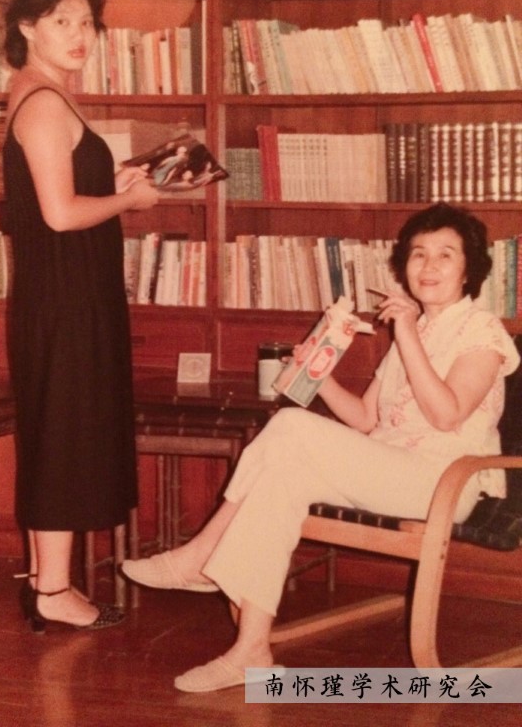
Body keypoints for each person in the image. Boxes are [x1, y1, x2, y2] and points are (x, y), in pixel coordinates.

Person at [121, 203, 519, 691]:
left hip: (444, 482)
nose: (428, 266)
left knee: (290, 425)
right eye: (418, 254)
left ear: (469, 269)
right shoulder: (412, 333)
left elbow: (446, 415)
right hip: (393, 471)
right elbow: (366, 419)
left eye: (445, 255)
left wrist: (406, 334)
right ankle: (251, 651)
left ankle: (201, 555)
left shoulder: (481, 330)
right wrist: (317, 373)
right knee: (282, 477)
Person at [1, 0, 158, 632]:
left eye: (87, 22)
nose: (79, 34)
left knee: (57, 435)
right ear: (27, 27)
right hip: (64, 299)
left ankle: (48, 584)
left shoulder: (42, 93)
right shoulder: (41, 102)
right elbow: (61, 214)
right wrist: (131, 201)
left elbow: (59, 196)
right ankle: (53, 592)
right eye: (61, 20)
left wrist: (116, 183)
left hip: (65, 293)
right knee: (61, 438)